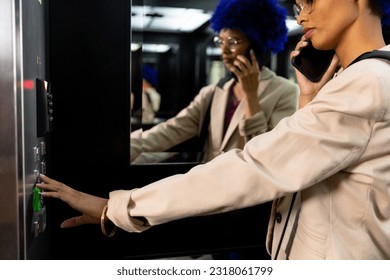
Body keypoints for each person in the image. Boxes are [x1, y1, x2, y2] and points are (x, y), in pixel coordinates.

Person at [37, 0, 390, 260]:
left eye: (310, 1)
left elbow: (262, 163)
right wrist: (310, 98)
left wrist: (119, 207)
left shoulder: (367, 84)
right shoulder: (346, 81)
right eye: (298, 5)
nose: (301, 16)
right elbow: (307, 164)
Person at [130, 0, 299, 163]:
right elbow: (170, 131)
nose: (223, 50)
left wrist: (251, 96)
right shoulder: (212, 92)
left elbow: (269, 156)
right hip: (209, 186)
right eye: (220, 41)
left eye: (233, 42)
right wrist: (122, 147)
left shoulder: (286, 92)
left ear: (257, 45)